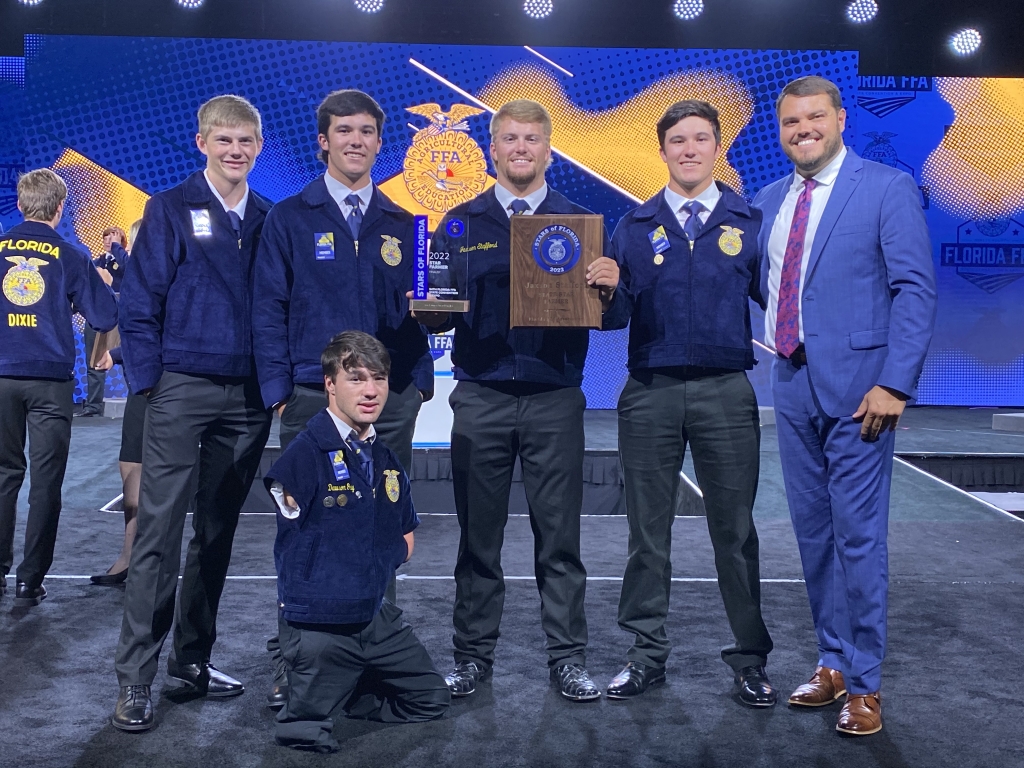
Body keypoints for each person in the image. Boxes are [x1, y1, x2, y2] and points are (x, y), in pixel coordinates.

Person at [415, 99, 619, 702]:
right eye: (510, 139)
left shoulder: (581, 222)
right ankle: (473, 657)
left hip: (556, 398)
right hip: (481, 396)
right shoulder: (458, 222)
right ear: (494, 149)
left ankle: (567, 659)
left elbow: (612, 318)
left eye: (532, 139)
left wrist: (610, 290)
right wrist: (425, 305)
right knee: (479, 538)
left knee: (560, 540)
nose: (521, 149)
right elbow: (434, 320)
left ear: (547, 149)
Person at [754, 76, 936, 736]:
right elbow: (752, 283)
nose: (802, 129)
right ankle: (832, 660)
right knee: (814, 535)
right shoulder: (770, 200)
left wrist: (895, 382)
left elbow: (914, 290)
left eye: (814, 118)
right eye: (790, 122)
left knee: (858, 538)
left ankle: (865, 684)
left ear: (840, 120)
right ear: (779, 131)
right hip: (792, 385)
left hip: (864, 393)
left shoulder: (884, 188)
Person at [253, 88, 433, 709]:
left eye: (366, 131)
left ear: (381, 143)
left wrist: (420, 354)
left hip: (388, 404)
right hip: (310, 397)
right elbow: (267, 309)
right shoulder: (289, 218)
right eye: (344, 131)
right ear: (323, 141)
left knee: (381, 529)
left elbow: (420, 315)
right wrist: (280, 391)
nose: (356, 141)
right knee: (306, 536)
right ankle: (297, 663)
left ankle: (369, 656)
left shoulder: (404, 224)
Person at [602, 100, 775, 706]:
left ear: (717, 145)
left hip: (726, 391)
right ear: (663, 150)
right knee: (647, 534)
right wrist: (603, 288)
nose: (690, 150)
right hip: (649, 392)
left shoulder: (749, 222)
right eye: (678, 140)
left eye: (701, 138)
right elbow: (613, 318)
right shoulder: (632, 226)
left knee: (735, 533)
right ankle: (646, 655)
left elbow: (781, 306)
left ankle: (750, 659)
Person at [111, 95, 274, 732]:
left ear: (258, 146)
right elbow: (138, 300)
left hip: (247, 400)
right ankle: (135, 681)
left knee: (217, 536)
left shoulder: (267, 216)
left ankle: (192, 661)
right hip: (182, 390)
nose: (236, 151)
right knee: (156, 535)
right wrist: (153, 385)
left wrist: (273, 384)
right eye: (224, 140)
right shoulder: (170, 208)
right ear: (201, 142)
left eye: (246, 142)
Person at [266, 331, 449, 753]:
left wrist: (378, 561)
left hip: (375, 619)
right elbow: (292, 508)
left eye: (379, 378)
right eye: (356, 379)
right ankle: (294, 658)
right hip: (320, 623)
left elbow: (406, 535)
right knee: (304, 733)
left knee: (432, 700)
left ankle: (346, 688)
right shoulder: (306, 451)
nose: (370, 391)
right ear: (330, 384)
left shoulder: (384, 457)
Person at [0, 168, 118, 605]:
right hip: (49, 379)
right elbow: (105, 317)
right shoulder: (70, 254)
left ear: (19, 203)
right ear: (60, 207)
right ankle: (30, 580)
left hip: (1, 375)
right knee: (46, 481)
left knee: (3, 474)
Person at [91, 218, 144, 585]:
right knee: (131, 468)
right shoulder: (140, 278)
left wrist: (119, 355)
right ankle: (131, 557)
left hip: (157, 387)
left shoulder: (162, 277)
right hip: (141, 383)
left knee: (138, 472)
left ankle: (135, 560)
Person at [78, 226, 127, 417]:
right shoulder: (96, 262)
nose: (108, 240)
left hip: (122, 316)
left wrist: (118, 249)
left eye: (113, 237)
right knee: (95, 359)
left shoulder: (128, 261)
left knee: (127, 356)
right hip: (98, 317)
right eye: (105, 236)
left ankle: (138, 399)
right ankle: (93, 405)